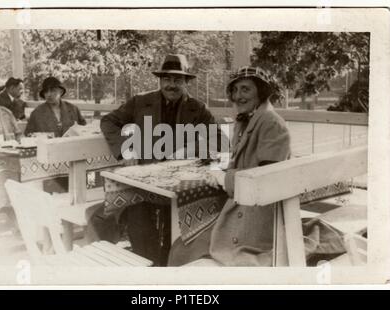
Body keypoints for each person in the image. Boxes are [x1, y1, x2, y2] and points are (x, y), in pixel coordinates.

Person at [96, 54, 225, 266]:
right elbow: (109, 121)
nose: (171, 85)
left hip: (179, 180)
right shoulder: (140, 102)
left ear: (186, 82)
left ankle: (172, 262)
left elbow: (219, 139)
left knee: (180, 219)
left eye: (177, 80)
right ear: (160, 80)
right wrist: (126, 151)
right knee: (137, 214)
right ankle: (149, 265)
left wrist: (192, 149)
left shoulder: (198, 109)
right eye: (167, 79)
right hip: (145, 177)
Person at [168, 66, 291, 266]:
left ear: (260, 92)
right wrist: (215, 165)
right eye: (234, 90)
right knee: (183, 243)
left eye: (245, 89)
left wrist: (220, 176)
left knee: (183, 248)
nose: (238, 96)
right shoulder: (248, 120)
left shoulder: (271, 122)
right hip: (242, 206)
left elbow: (266, 180)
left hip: (258, 218)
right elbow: (241, 162)